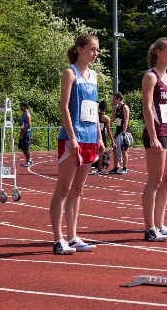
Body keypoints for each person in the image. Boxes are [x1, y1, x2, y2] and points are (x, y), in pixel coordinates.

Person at [50, 33, 105, 254]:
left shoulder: (93, 76)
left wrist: (100, 137)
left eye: (97, 50)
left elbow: (93, 110)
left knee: (77, 190)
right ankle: (58, 239)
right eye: (91, 49)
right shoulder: (69, 73)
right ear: (80, 49)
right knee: (63, 189)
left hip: (91, 137)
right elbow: (64, 107)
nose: (95, 53)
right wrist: (72, 136)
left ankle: (73, 237)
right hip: (73, 137)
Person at [141, 37, 167, 241]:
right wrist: (154, 136)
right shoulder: (151, 76)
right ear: (159, 52)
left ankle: (160, 224)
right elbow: (148, 107)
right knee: (155, 180)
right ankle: (150, 229)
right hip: (155, 133)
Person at [108, 92, 131, 174]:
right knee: (115, 148)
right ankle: (115, 167)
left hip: (124, 131)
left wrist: (124, 132)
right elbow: (113, 119)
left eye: (114, 99)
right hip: (118, 131)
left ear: (118, 99)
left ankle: (124, 168)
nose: (113, 100)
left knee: (124, 150)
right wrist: (113, 108)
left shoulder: (125, 107)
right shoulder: (117, 108)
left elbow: (126, 120)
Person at [90, 101, 114, 175]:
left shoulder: (95, 116)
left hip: (93, 135)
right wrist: (112, 140)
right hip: (101, 137)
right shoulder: (106, 118)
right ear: (106, 108)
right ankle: (99, 169)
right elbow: (109, 131)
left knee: (92, 151)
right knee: (100, 153)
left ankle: (90, 167)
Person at [18, 102, 33, 167]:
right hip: (23, 132)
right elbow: (23, 123)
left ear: (25, 107)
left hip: (26, 133)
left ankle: (28, 161)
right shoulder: (23, 114)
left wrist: (23, 132)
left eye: (21, 106)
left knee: (26, 148)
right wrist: (20, 124)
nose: (20, 108)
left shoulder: (27, 114)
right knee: (23, 148)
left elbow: (29, 125)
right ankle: (29, 159)